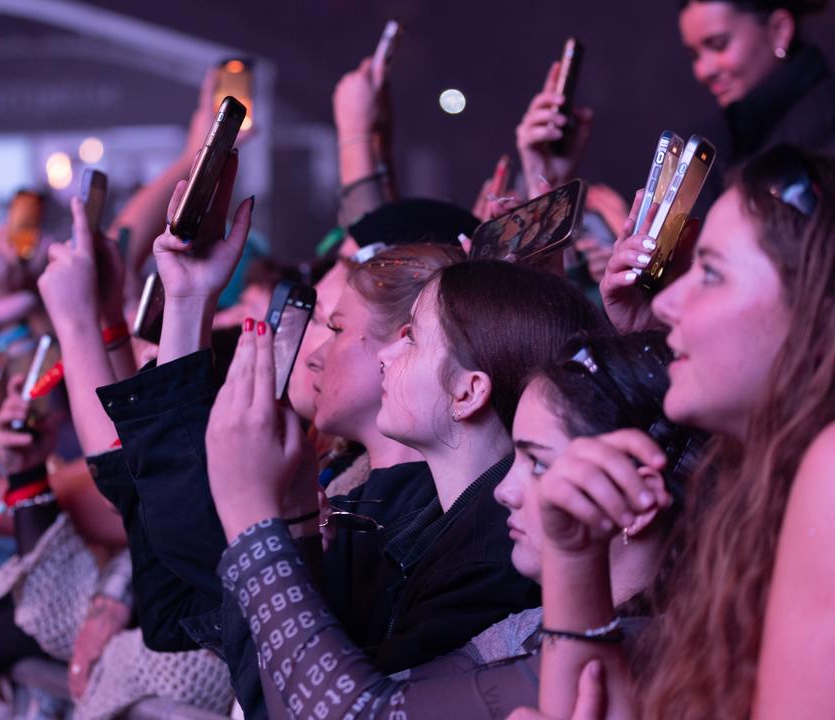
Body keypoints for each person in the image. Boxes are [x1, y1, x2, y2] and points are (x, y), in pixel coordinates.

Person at [207, 331, 695, 718]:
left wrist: (253, 519)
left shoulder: (646, 651)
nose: (504, 491)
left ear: (640, 497)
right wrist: (291, 516)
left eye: (539, 464)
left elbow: (354, 712)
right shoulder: (525, 629)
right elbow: (309, 705)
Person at [527, 144, 835, 719]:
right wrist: (574, 559)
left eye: (711, 274)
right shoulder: (751, 486)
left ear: (817, 311)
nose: (667, 301)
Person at [679, 0, 835, 162]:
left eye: (719, 45)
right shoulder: (715, 143)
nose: (702, 71)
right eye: (694, 55)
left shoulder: (825, 126)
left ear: (780, 30)